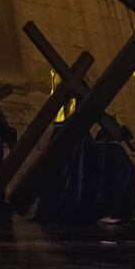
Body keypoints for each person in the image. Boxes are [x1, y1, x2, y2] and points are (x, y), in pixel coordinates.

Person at [33, 70, 96, 223]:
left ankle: (72, 208)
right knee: (56, 173)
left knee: (75, 172)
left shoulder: (80, 92)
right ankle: (55, 208)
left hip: (75, 133)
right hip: (64, 131)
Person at [85, 120, 135, 223]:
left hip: (104, 155)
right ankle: (115, 213)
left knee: (103, 182)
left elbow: (134, 146)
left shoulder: (110, 133)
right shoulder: (115, 133)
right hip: (113, 156)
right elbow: (134, 146)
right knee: (116, 181)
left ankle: (110, 213)